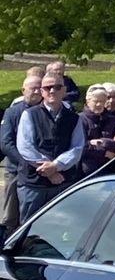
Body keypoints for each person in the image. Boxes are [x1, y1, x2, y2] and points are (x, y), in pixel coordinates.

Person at [15, 71, 84, 222]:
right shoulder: (29, 115)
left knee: (57, 229)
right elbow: (25, 147)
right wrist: (50, 171)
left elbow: (77, 148)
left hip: (62, 183)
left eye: (57, 87)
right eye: (47, 88)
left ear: (65, 90)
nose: (52, 90)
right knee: (28, 229)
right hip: (33, 185)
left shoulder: (74, 119)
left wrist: (56, 166)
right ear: (41, 92)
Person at [0, 67, 43, 232]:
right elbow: (6, 143)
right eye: (33, 88)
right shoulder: (12, 112)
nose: (37, 91)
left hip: (40, 173)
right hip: (16, 170)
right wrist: (27, 163)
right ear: (23, 90)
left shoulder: (47, 113)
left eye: (40, 88)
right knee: (11, 216)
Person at [78, 85, 115, 173]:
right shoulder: (79, 120)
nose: (99, 104)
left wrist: (103, 142)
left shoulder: (112, 120)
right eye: (96, 101)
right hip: (87, 170)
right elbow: (80, 147)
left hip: (111, 168)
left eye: (102, 101)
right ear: (88, 101)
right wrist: (105, 153)